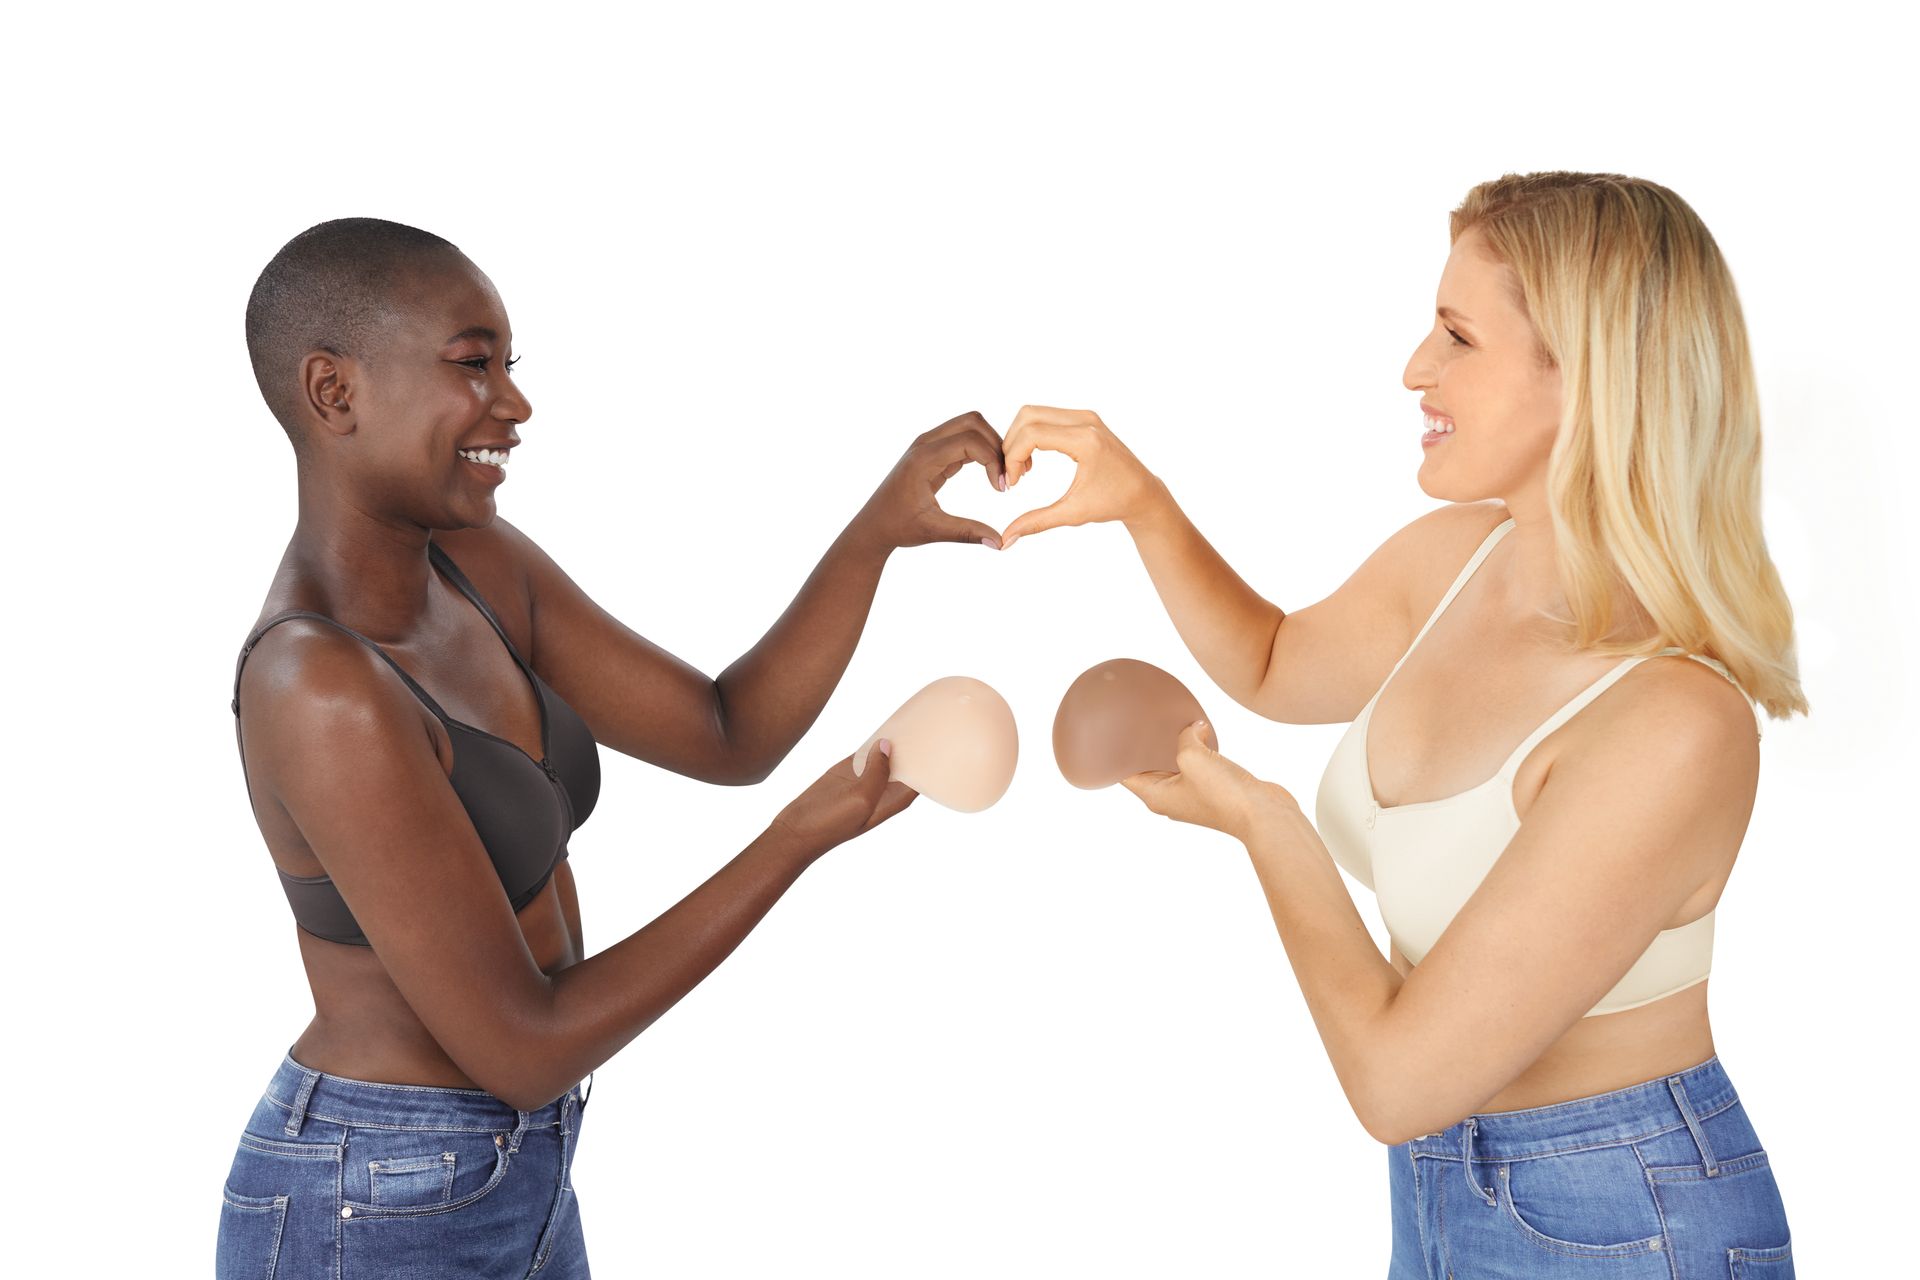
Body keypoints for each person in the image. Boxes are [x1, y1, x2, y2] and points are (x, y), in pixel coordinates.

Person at [995, 172, 1804, 1276]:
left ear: (1587, 377)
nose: (1415, 368)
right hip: (1439, 1186)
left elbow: (1396, 1079)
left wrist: (1265, 822)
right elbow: (1276, 664)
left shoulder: (1673, 722)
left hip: (1625, 1211)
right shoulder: (1457, 559)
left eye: (1457, 335)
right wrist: (1143, 501)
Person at [216, 217, 1009, 1279]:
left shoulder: (480, 568)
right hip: (374, 1198)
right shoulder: (316, 684)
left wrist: (874, 531)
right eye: (471, 363)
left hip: (515, 1170)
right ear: (334, 391)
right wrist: (795, 843)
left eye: (510, 364)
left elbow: (730, 730)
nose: (513, 401)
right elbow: (525, 1043)